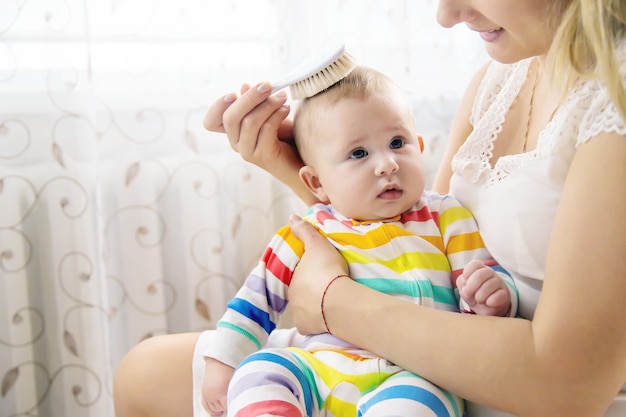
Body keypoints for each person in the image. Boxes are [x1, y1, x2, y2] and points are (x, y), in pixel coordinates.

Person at [113, 1, 626, 416]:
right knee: (144, 373)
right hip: (400, 338)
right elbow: (412, 226)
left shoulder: (615, 104)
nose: (446, 15)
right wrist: (300, 164)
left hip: (502, 379)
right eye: (363, 154)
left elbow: (568, 386)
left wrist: (332, 299)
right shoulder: (500, 77)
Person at [201, 66, 517, 417]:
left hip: (412, 374)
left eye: (398, 143)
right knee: (259, 371)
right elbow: (255, 301)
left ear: (420, 146)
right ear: (316, 182)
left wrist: (490, 298)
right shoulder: (308, 230)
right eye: (358, 154)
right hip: (318, 369)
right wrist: (222, 363)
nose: (387, 164)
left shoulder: (445, 216)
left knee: (423, 404)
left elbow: (479, 282)